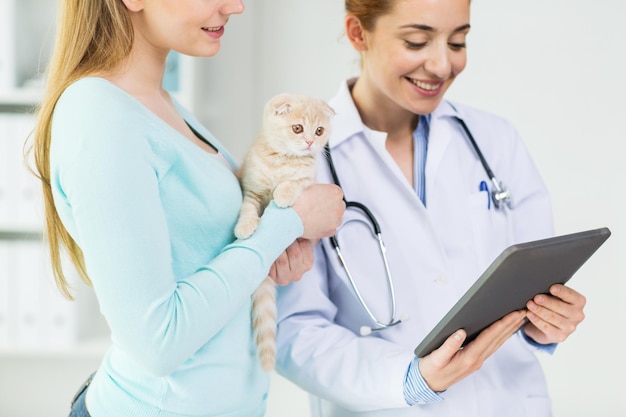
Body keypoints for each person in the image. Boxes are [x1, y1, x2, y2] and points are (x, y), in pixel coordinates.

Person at [29, 1, 345, 417]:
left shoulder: (159, 103)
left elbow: (203, 258)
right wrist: (288, 223)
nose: (236, 6)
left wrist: (273, 250)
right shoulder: (100, 116)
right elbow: (158, 342)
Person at [274, 0, 587, 416]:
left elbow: (535, 280)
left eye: (458, 42)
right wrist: (411, 379)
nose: (442, 65)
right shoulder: (301, 166)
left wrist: (547, 321)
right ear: (357, 33)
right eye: (417, 41)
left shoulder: (495, 141)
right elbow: (293, 331)